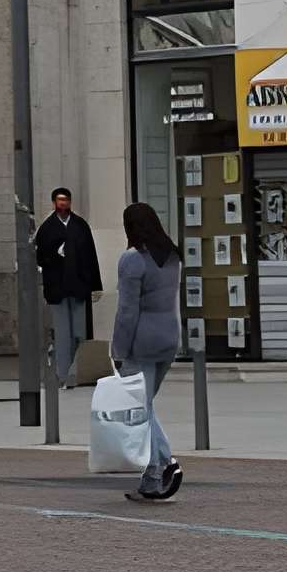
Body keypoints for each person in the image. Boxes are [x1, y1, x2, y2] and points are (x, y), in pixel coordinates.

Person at [110, 200, 183, 504]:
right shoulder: (171, 255)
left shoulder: (132, 260)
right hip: (168, 337)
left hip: (141, 341)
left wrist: (118, 349)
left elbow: (127, 312)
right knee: (145, 408)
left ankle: (161, 468)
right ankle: (158, 472)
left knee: (138, 411)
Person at [34, 186, 103, 390]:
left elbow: (91, 256)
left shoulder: (81, 226)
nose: (63, 204)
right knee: (63, 333)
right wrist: (56, 254)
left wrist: (95, 286)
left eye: (66, 200)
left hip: (79, 285)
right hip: (57, 288)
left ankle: (79, 371)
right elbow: (40, 257)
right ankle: (63, 374)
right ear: (54, 202)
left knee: (79, 332)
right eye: (59, 200)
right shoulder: (47, 228)